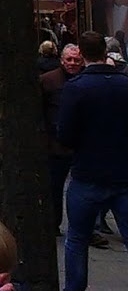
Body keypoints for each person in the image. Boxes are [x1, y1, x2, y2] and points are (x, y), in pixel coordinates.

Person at [57, 30, 128, 291]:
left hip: (87, 172)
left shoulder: (76, 89)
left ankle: (75, 287)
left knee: (76, 237)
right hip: (123, 172)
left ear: (83, 55)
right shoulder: (124, 85)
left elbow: (65, 134)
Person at [41, 44, 85, 236]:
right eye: (69, 60)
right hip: (55, 145)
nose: (73, 63)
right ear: (61, 60)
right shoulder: (48, 80)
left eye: (76, 60)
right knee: (55, 188)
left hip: (80, 145)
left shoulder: (84, 81)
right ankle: (53, 223)